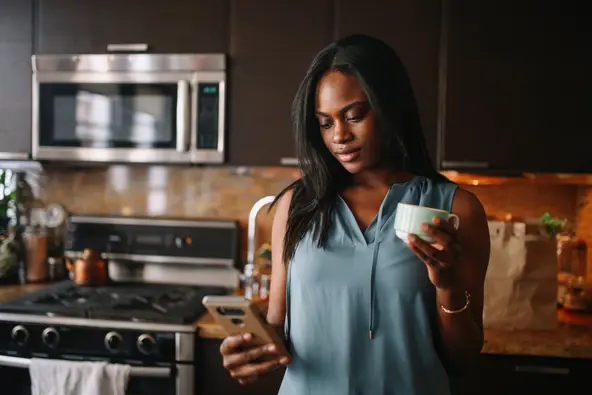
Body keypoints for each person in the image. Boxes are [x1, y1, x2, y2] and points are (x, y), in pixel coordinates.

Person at [219, 34, 490, 395]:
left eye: (354, 115)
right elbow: (278, 331)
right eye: (326, 123)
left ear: (390, 107)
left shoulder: (455, 210)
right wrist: (249, 352)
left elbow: (464, 359)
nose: (340, 136)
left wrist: (448, 286)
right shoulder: (295, 206)